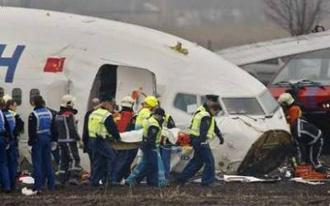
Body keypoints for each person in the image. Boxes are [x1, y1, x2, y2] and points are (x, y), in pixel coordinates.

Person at [177, 95, 224, 186]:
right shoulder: (205, 114)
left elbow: (213, 125)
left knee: (197, 162)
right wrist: (203, 141)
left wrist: (220, 136)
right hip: (201, 140)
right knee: (209, 161)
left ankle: (182, 179)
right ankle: (207, 182)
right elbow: (203, 129)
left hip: (196, 140)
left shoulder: (206, 112)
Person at [278, 93, 327, 173]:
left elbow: (299, 146)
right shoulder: (296, 117)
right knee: (308, 161)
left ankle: (324, 173)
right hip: (309, 138)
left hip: (316, 140)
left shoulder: (297, 124)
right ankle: (311, 170)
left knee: (313, 162)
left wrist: (300, 162)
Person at [125, 107, 167, 187]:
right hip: (151, 147)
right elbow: (151, 138)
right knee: (154, 165)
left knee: (145, 164)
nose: (162, 118)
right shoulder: (154, 124)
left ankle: (133, 180)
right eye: (162, 116)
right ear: (159, 115)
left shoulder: (150, 120)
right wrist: (153, 147)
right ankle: (154, 182)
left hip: (146, 145)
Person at [88, 95, 120, 186]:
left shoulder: (94, 113)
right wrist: (117, 137)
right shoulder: (106, 115)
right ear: (107, 103)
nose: (113, 106)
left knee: (98, 161)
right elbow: (112, 128)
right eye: (112, 104)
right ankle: (109, 180)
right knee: (112, 157)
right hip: (100, 140)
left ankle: (94, 181)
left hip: (92, 139)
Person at [28, 95, 56, 194]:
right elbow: (53, 127)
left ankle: (38, 186)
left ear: (34, 103)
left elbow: (31, 131)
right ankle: (51, 185)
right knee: (48, 162)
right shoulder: (49, 113)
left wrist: (30, 143)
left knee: (37, 163)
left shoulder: (33, 114)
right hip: (48, 138)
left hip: (38, 139)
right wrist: (54, 141)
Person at [54, 95, 82, 186]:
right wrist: (79, 139)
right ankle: (74, 177)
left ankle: (61, 179)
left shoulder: (57, 115)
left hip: (60, 141)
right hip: (70, 141)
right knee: (74, 158)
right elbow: (72, 128)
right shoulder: (70, 115)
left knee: (63, 160)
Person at [112, 96, 137, 183]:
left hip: (115, 142)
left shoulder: (115, 115)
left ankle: (126, 177)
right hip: (128, 143)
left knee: (120, 161)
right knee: (124, 161)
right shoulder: (134, 116)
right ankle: (115, 179)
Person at [3, 96, 23, 191]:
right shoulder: (13, 115)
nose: (16, 108)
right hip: (12, 141)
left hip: (5, 140)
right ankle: (12, 185)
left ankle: (5, 185)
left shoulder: (3, 114)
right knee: (12, 164)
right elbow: (17, 128)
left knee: (3, 164)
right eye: (15, 106)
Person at [82, 97, 100, 175]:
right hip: (99, 140)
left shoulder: (89, 114)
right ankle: (96, 176)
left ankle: (93, 176)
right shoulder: (102, 113)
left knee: (92, 160)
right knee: (97, 160)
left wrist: (84, 141)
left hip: (90, 140)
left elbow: (85, 128)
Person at [0, 98, 11, 192]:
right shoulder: (2, 114)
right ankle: (6, 186)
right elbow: (7, 127)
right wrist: (8, 139)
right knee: (3, 163)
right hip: (2, 138)